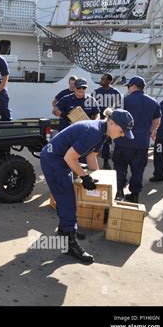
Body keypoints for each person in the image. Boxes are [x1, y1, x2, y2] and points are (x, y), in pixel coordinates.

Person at [41, 108, 134, 263]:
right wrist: (85, 177)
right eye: (122, 131)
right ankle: (70, 244)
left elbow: (91, 157)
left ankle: (65, 231)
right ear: (111, 123)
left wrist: (98, 179)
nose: (122, 135)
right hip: (54, 161)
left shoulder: (103, 132)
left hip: (61, 160)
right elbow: (70, 157)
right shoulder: (93, 132)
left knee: (67, 199)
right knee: (67, 201)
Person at [113, 76, 161, 203]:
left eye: (128, 86)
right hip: (142, 143)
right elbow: (156, 120)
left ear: (133, 86)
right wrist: (151, 131)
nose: (128, 89)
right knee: (138, 169)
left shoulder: (124, 101)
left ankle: (119, 191)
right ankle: (134, 195)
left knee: (120, 167)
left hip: (123, 141)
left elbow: (114, 120)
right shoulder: (153, 102)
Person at [93, 74, 123, 169]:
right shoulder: (96, 92)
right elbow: (91, 106)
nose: (101, 80)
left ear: (109, 81)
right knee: (94, 140)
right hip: (98, 120)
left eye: (103, 79)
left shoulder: (115, 93)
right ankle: (90, 159)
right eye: (101, 79)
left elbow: (118, 107)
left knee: (106, 142)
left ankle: (106, 161)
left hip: (110, 121)